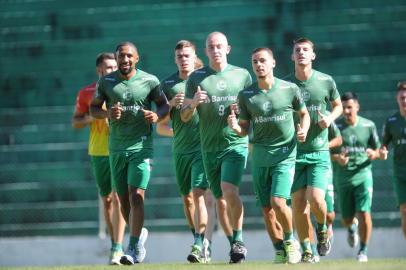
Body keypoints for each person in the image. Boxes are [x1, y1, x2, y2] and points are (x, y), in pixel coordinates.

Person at [228, 47, 310, 264]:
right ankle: (279, 249)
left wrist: (303, 129)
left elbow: (304, 114)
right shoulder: (246, 95)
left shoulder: (289, 88)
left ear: (273, 63)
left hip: (285, 154)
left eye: (263, 60)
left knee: (278, 201)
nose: (258, 65)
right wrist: (236, 127)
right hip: (260, 157)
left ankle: (291, 242)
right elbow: (244, 129)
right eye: (255, 61)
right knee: (267, 210)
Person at [90, 41, 169, 265]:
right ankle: (139, 235)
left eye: (128, 56)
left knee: (137, 196)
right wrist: (107, 114)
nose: (124, 60)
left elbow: (163, 105)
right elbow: (94, 109)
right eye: (121, 56)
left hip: (141, 147)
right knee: (123, 199)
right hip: (116, 148)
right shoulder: (106, 82)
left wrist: (157, 116)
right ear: (116, 59)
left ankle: (132, 248)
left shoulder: (150, 80)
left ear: (136, 58)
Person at [181, 31, 252, 263]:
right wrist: (193, 103)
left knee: (229, 191)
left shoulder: (242, 76)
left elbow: (251, 110)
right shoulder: (196, 78)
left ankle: (236, 240)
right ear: (206, 51)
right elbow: (183, 116)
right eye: (211, 47)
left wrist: (239, 115)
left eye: (220, 46)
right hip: (209, 147)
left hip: (235, 144)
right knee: (219, 199)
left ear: (228, 48)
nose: (216, 50)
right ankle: (229, 246)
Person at [156, 40, 220, 263]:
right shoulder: (168, 85)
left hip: (203, 148)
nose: (184, 59)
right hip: (181, 150)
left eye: (187, 55)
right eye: (180, 56)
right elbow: (160, 124)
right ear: (175, 59)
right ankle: (198, 240)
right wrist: (171, 104)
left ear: (195, 57)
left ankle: (199, 242)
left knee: (198, 194)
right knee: (187, 200)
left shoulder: (206, 79)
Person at [285, 37, 343, 261]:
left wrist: (329, 118)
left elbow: (337, 106)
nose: (301, 53)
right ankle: (307, 250)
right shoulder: (286, 85)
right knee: (298, 204)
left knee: (317, 199)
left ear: (313, 55)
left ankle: (321, 230)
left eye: (305, 50)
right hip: (294, 153)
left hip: (319, 151)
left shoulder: (326, 81)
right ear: (292, 56)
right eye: (297, 50)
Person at [71, 52, 126, 265]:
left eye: (113, 67)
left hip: (120, 149)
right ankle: (115, 242)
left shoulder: (125, 89)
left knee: (120, 196)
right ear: (99, 71)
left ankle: (117, 247)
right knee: (107, 200)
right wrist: (89, 117)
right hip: (98, 150)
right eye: (106, 68)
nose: (110, 71)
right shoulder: (87, 93)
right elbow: (75, 122)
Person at [331, 91, 386, 262]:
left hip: (363, 175)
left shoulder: (368, 126)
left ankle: (363, 250)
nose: (347, 111)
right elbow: (327, 151)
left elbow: (379, 150)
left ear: (357, 107)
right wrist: (338, 158)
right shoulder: (335, 127)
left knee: (364, 213)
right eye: (344, 108)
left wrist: (375, 154)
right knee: (347, 219)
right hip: (343, 178)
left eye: (349, 107)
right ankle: (351, 228)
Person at [305, 117, 342, 263]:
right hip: (300, 165)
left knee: (329, 213)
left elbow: (338, 139)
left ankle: (327, 228)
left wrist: (324, 145)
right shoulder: (294, 111)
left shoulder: (325, 115)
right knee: (304, 210)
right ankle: (311, 250)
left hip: (322, 168)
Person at [381, 81, 406, 238]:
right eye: (401, 97)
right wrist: (382, 151)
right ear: (397, 99)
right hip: (400, 173)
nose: (404, 100)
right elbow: (383, 145)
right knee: (404, 210)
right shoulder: (391, 122)